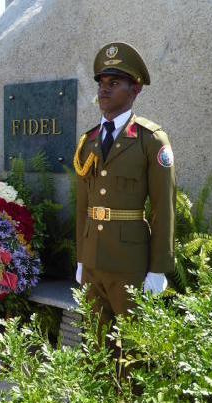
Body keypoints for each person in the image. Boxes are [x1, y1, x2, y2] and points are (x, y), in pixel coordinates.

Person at [74, 42, 176, 357]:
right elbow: (82, 207)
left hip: (131, 264)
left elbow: (163, 209)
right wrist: (80, 258)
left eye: (114, 83)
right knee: (96, 344)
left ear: (135, 90)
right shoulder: (88, 141)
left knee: (134, 352)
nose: (104, 91)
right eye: (102, 83)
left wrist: (158, 269)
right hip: (92, 262)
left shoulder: (150, 139)